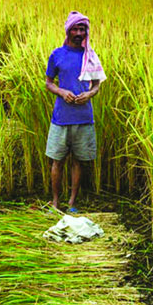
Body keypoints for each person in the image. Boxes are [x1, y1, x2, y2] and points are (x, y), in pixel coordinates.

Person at [45, 11, 106, 212]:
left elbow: (97, 85)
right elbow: (49, 83)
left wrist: (89, 94)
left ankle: (72, 203)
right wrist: (62, 92)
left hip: (83, 117)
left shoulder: (91, 56)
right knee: (57, 161)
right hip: (61, 117)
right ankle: (55, 202)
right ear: (68, 30)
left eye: (83, 29)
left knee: (79, 162)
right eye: (76, 29)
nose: (79, 33)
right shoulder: (57, 55)